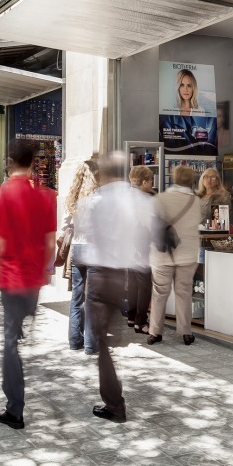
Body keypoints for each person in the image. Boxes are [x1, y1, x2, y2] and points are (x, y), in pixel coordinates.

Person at [0, 140, 57, 430]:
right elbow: (50, 243)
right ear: (33, 162)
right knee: (19, 330)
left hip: (11, 277)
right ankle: (25, 323)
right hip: (34, 278)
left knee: (10, 341)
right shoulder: (48, 196)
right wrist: (43, 270)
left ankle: (15, 409)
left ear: (9, 161)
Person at [76, 151, 154, 423]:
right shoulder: (137, 199)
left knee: (102, 343)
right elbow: (149, 228)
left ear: (104, 173)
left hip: (100, 276)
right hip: (124, 274)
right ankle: (114, 398)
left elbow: (86, 233)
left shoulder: (94, 201)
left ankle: (115, 404)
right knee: (109, 337)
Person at [147, 164, 201, 347]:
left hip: (162, 253)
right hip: (188, 253)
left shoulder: (159, 198)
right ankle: (185, 332)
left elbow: (151, 223)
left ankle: (154, 332)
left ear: (174, 177)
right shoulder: (196, 201)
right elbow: (197, 222)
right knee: (184, 292)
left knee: (159, 292)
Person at [64, 159, 98, 355]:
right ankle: (90, 345)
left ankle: (74, 340)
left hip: (77, 248)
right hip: (93, 249)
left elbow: (64, 227)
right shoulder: (98, 200)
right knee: (92, 298)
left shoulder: (72, 199)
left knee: (76, 298)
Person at [126, 165, 155, 334]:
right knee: (144, 284)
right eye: (150, 180)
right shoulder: (145, 200)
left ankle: (131, 316)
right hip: (141, 244)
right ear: (144, 182)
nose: (152, 182)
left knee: (133, 283)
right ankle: (141, 322)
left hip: (128, 244)